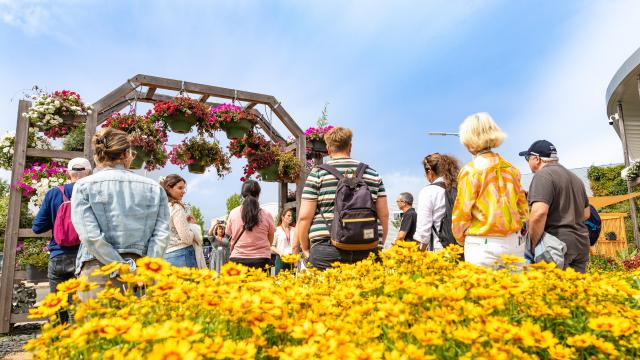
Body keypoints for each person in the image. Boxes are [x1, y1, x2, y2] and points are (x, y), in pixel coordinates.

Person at [71, 128, 170, 300]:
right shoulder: (154, 188)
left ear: (100, 154)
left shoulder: (83, 186)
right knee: (144, 326)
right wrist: (147, 267)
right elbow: (161, 233)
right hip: (143, 274)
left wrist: (121, 266)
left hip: (99, 270)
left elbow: (90, 236)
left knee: (97, 326)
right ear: (126, 153)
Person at [297, 126, 389, 270]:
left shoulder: (318, 174)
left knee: (324, 292)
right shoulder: (372, 173)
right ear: (350, 146)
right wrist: (379, 245)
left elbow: (304, 217)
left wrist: (305, 249)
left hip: (326, 248)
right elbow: (384, 215)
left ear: (328, 148)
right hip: (367, 248)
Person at [452, 113, 529, 268]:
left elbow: (461, 213)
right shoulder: (511, 169)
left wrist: (463, 239)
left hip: (482, 244)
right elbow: (523, 209)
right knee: (514, 291)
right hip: (514, 242)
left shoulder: (470, 171)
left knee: (482, 291)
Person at [32, 157, 92, 322]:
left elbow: (37, 228)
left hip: (59, 256)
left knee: (58, 306)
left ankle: (58, 341)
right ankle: (82, 342)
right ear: (90, 173)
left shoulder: (54, 193)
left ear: (68, 174)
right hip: (86, 256)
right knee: (83, 306)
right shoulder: (93, 192)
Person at [520, 140, 590, 273]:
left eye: (527, 158)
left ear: (536, 159)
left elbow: (539, 213)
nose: (528, 162)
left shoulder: (543, 175)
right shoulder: (576, 179)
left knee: (550, 291)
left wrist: (533, 244)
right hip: (580, 244)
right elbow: (586, 214)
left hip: (555, 245)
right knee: (575, 291)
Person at [414, 153, 460, 251]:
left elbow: (423, 231)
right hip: (461, 249)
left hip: (439, 249)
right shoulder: (458, 188)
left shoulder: (428, 191)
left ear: (429, 171)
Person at [226, 180, 275, 271]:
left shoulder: (233, 213)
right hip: (261, 260)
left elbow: (228, 234)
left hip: (237, 259)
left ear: (242, 194)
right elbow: (270, 238)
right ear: (259, 194)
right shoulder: (266, 214)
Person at [160, 174, 205, 269]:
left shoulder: (161, 206)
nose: (183, 192)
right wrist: (192, 226)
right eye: (180, 188)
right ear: (168, 188)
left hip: (166, 255)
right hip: (181, 254)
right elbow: (187, 238)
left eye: (184, 189)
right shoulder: (176, 207)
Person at [272, 208, 295, 274]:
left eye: (291, 216)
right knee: (279, 282)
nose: (291, 218)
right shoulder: (276, 230)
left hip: (292, 259)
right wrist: (280, 253)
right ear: (282, 217)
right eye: (288, 215)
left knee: (292, 282)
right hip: (281, 259)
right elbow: (271, 246)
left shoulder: (294, 230)